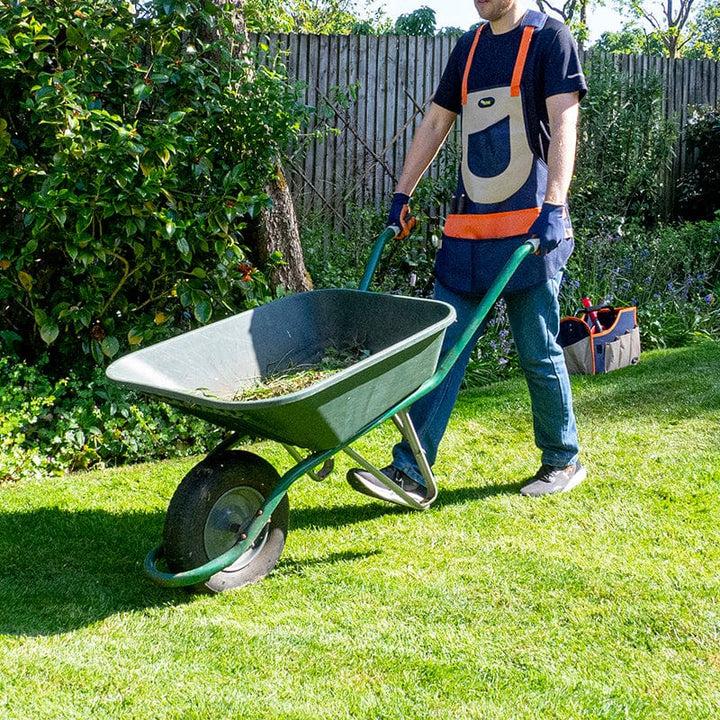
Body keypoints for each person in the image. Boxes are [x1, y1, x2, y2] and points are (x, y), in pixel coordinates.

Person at [347, 0, 588, 505]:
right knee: (442, 352)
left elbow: (564, 121)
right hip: (469, 232)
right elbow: (436, 123)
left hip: (529, 229)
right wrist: (401, 194)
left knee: (538, 349)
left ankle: (562, 459)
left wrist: (556, 205)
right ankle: (410, 470)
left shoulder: (551, 39)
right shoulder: (470, 47)